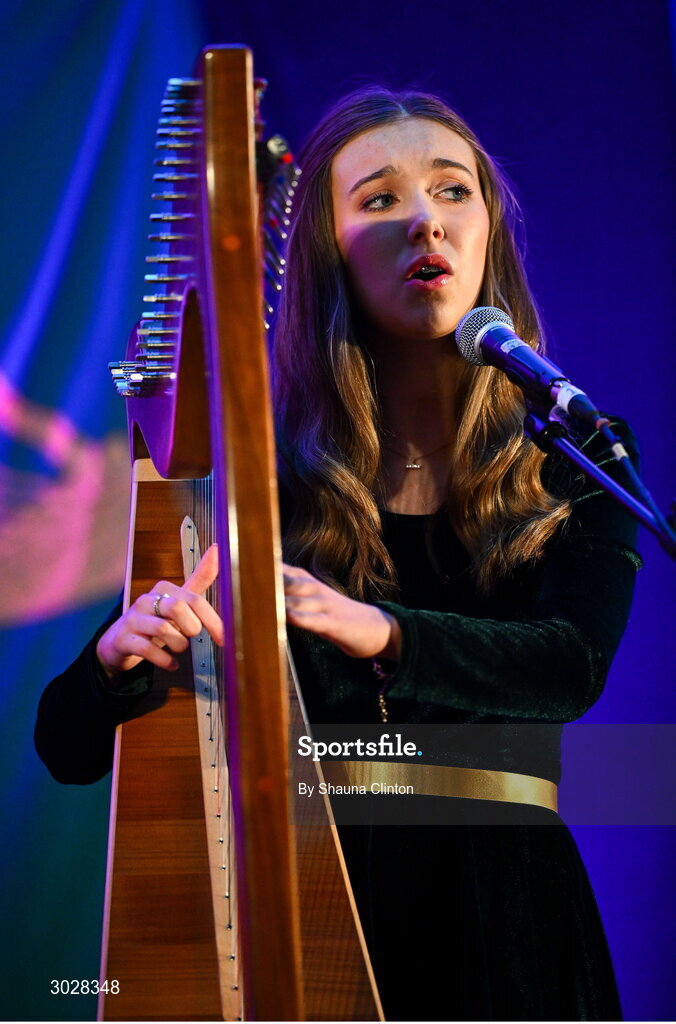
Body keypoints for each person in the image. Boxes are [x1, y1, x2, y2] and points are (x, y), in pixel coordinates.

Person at [35, 87, 640, 1021]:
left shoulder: (579, 455)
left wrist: (373, 627)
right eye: (379, 200)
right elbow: (63, 745)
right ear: (324, 253)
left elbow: (569, 667)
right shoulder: (254, 483)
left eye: (452, 191)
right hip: (310, 901)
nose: (426, 222)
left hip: (507, 917)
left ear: (488, 232)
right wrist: (118, 660)